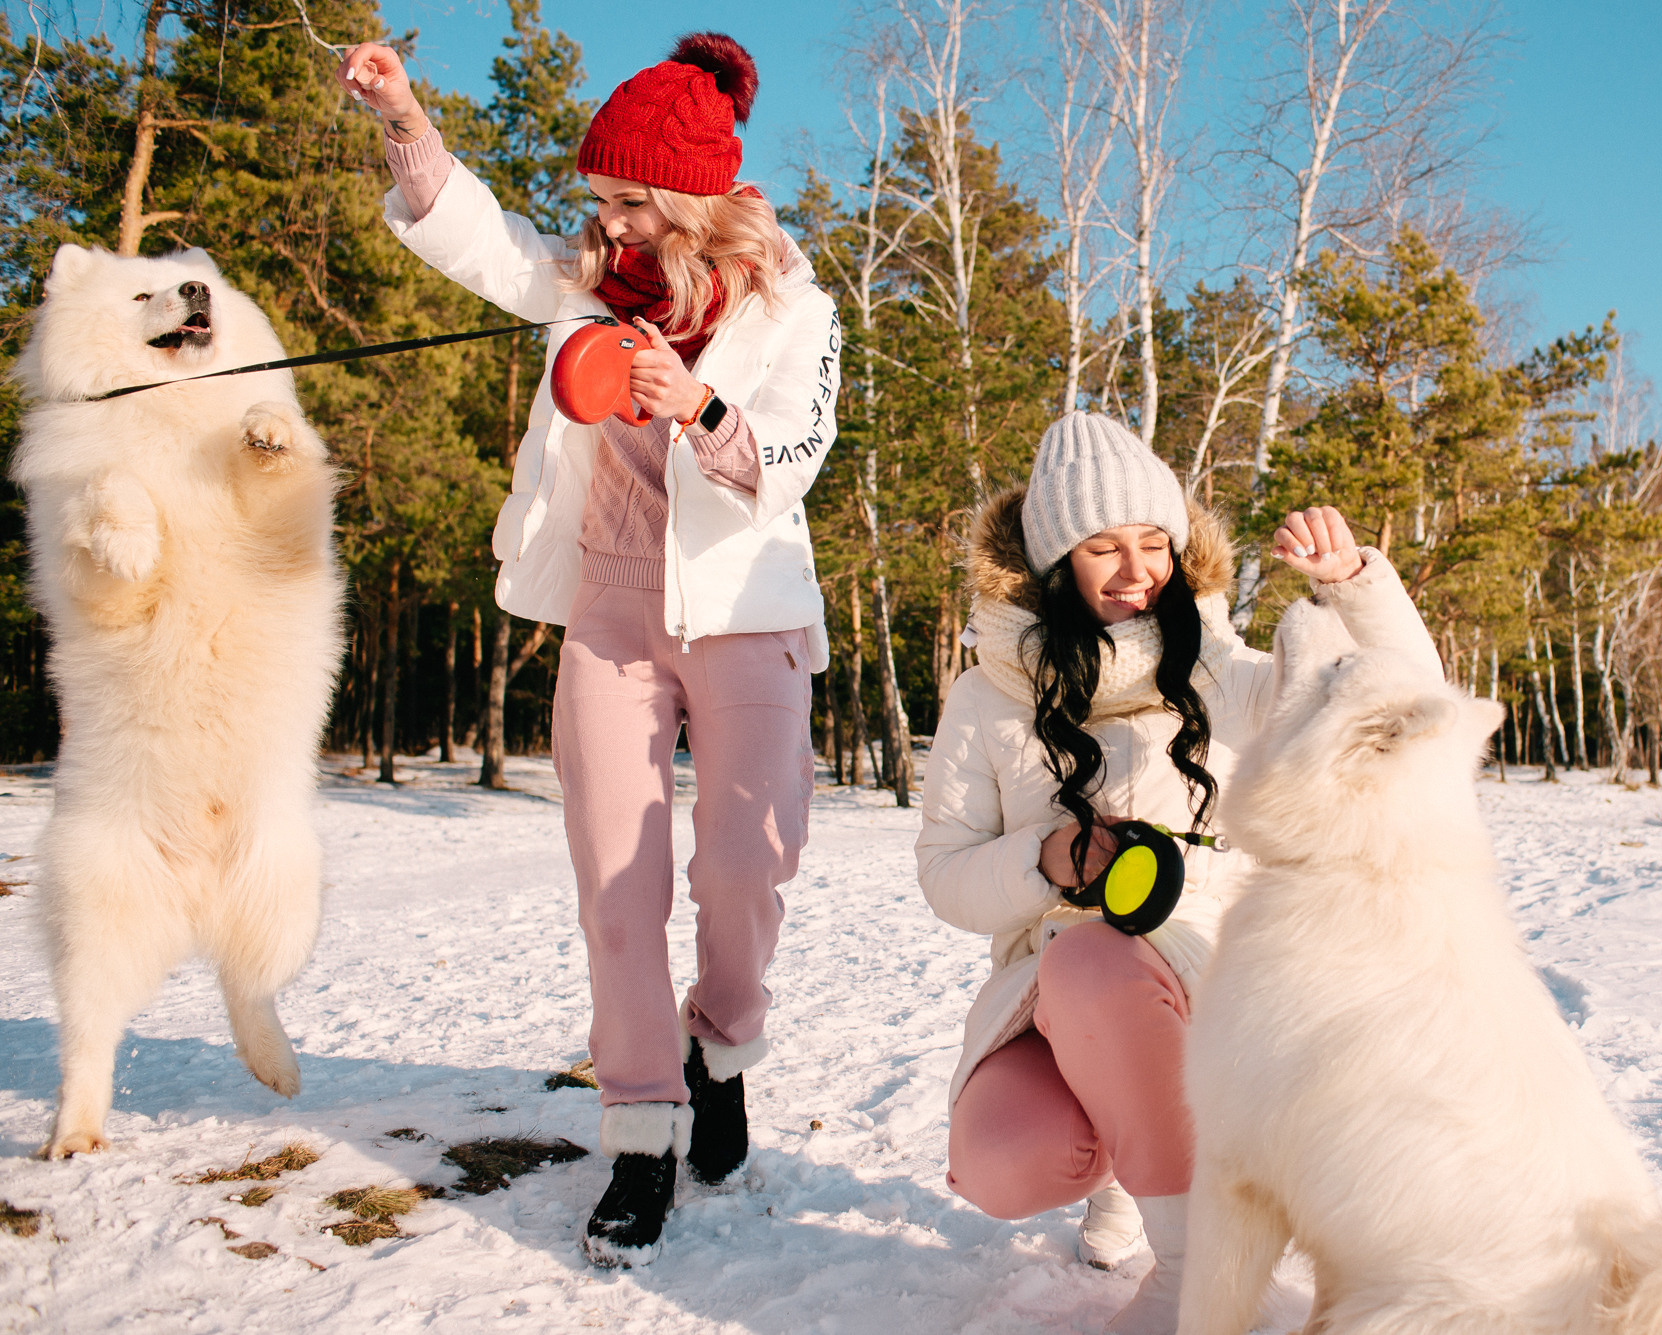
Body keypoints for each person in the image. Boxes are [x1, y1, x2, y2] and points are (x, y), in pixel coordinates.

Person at [338, 34, 841, 1265]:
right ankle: (637, 1132)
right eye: (598, 202)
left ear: (689, 204)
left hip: (745, 608)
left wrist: (702, 410)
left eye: (626, 203)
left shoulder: (795, 307)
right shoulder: (584, 279)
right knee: (616, 886)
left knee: (743, 871)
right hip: (610, 609)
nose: (603, 225)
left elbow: (793, 456)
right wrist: (402, 114)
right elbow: (476, 237)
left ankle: (716, 1045)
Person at [916, 412, 1439, 1333]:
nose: (1136, 570)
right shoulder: (986, 692)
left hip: (1213, 975)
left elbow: (1394, 706)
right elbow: (946, 872)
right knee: (1001, 1159)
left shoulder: (1222, 669)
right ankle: (1133, 1150)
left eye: (1156, 541)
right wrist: (1044, 861)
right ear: (1052, 562)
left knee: (1092, 963)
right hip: (1056, 993)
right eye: (1103, 547)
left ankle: (1204, 1276)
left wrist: (1356, 587)